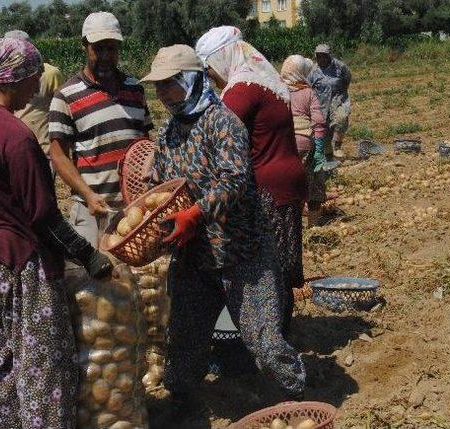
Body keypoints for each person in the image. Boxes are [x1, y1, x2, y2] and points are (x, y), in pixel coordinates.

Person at [0, 37, 112, 429]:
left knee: (0, 364)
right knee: (44, 371)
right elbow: (43, 217)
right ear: (14, 78)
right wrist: (89, 256)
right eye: (34, 74)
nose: (39, 82)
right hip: (19, 266)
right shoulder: (16, 136)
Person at [141, 44, 306, 422]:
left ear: (191, 80)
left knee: (264, 340)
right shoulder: (168, 132)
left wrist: (195, 214)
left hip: (241, 251)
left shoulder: (223, 122)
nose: (163, 94)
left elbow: (234, 181)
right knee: (183, 339)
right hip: (195, 255)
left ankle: (296, 399)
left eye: (169, 85)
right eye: (158, 87)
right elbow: (166, 186)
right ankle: (183, 404)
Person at [195, 26, 307, 332]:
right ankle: (281, 328)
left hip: (268, 186)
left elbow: (217, 137)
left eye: (209, 69)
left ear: (220, 58)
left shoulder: (242, 89)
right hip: (287, 176)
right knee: (280, 262)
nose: (210, 78)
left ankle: (273, 335)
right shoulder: (262, 77)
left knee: (267, 266)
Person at [49, 12, 152, 247]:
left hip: (133, 209)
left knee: (133, 281)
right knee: (93, 278)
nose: (106, 56)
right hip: (92, 209)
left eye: (112, 48)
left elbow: (145, 143)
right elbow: (58, 155)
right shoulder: (66, 95)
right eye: (99, 48)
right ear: (85, 46)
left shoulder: (135, 89)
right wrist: (87, 194)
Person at [281, 54, 328, 226]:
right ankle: (313, 226)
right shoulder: (308, 92)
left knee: (290, 183)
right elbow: (319, 123)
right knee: (313, 180)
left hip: (282, 144)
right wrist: (320, 150)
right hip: (304, 143)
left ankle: (293, 226)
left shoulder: (277, 90)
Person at [5, 30, 64, 164]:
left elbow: (61, 111)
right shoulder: (2, 79)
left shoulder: (50, 74)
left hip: (42, 152)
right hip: (13, 149)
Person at [307, 43, 352, 160]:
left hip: (338, 99)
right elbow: (309, 88)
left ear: (329, 56)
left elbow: (347, 79)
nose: (321, 58)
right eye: (318, 56)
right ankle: (329, 156)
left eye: (323, 56)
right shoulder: (313, 71)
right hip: (321, 102)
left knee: (341, 118)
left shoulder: (340, 67)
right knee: (325, 131)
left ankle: (337, 146)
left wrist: (341, 92)